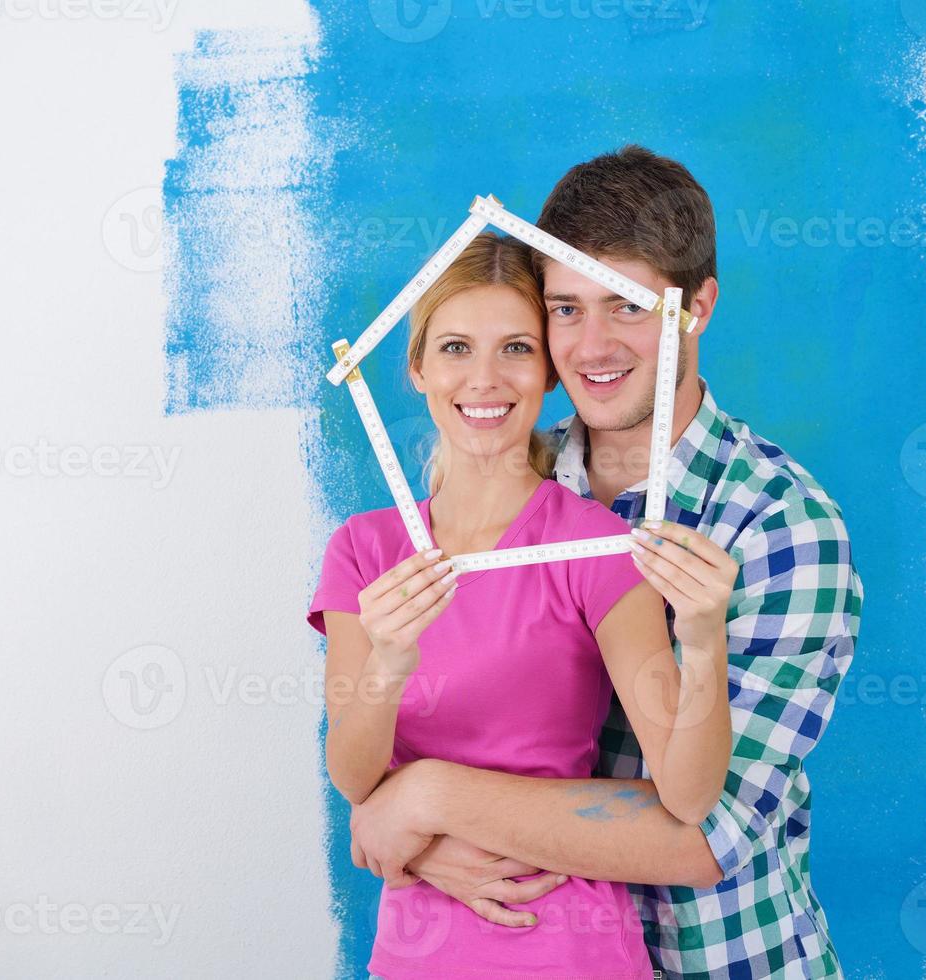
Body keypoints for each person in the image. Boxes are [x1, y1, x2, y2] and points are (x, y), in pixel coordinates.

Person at [345, 147, 864, 979]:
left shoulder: (783, 529)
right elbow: (396, 754)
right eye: (564, 309)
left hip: (722, 960)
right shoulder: (506, 487)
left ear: (695, 308)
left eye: (625, 307)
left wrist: (427, 805)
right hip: (534, 949)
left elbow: (701, 834)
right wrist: (415, 834)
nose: (590, 346)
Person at [307, 230, 736, 978]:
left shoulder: (596, 546)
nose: (484, 379)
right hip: (415, 948)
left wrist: (701, 642)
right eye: (453, 349)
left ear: (547, 374)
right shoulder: (363, 549)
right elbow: (351, 776)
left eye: (514, 348)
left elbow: (689, 794)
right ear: (413, 369)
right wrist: (387, 662)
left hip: (566, 941)